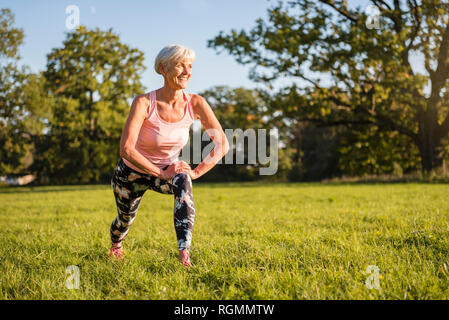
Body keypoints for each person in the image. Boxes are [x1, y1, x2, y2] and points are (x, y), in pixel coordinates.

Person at [109, 44, 229, 266]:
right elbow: (126, 149)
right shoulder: (143, 103)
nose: (187, 71)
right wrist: (160, 172)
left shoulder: (196, 103)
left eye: (190, 66)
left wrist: (196, 172)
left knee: (183, 181)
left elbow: (222, 143)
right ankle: (116, 245)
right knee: (124, 221)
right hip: (131, 172)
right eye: (180, 65)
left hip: (169, 170)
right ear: (163, 68)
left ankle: (184, 254)